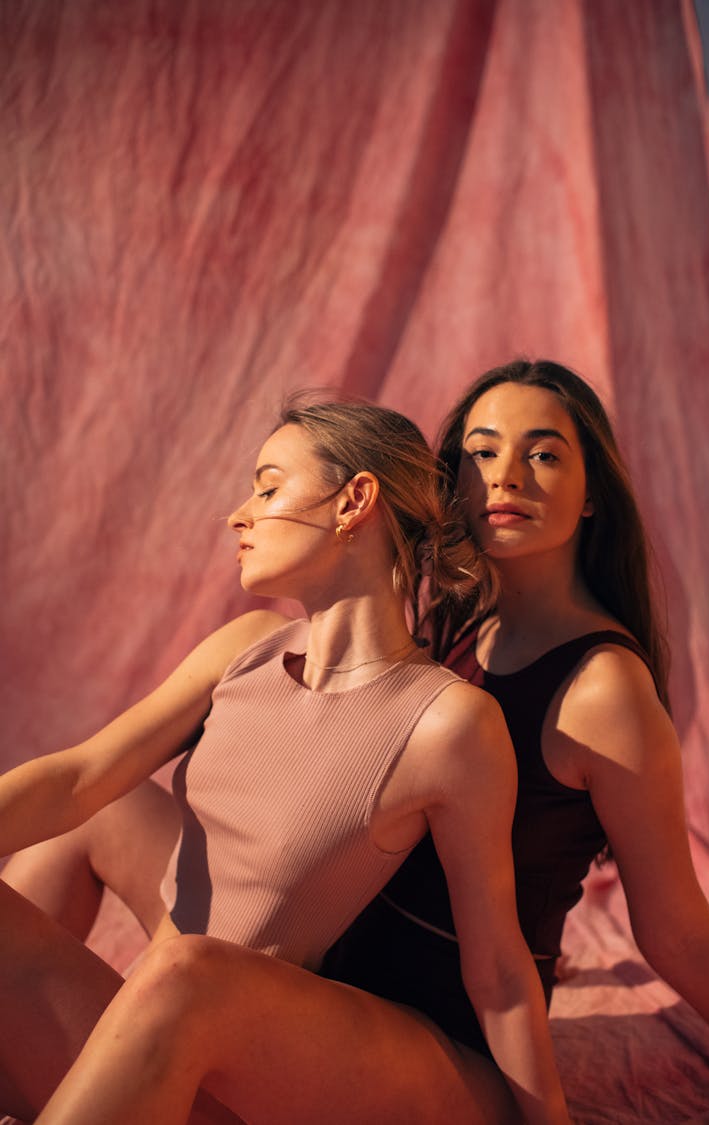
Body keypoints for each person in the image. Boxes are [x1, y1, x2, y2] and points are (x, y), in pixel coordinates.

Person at [0, 397, 570, 1125]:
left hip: (251, 1082)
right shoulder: (245, 647)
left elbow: (497, 968)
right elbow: (80, 777)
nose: (240, 514)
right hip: (157, 1029)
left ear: (353, 502)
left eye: (268, 487)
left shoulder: (446, 723)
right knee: (105, 818)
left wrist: (545, 1116)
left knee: (185, 969)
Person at [321, 358, 709, 1064]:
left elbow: (678, 931)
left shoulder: (602, 687)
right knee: (104, 826)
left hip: (442, 1025)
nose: (507, 476)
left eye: (544, 454)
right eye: (482, 452)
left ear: (590, 494)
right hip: (347, 965)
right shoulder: (460, 624)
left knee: (186, 992)